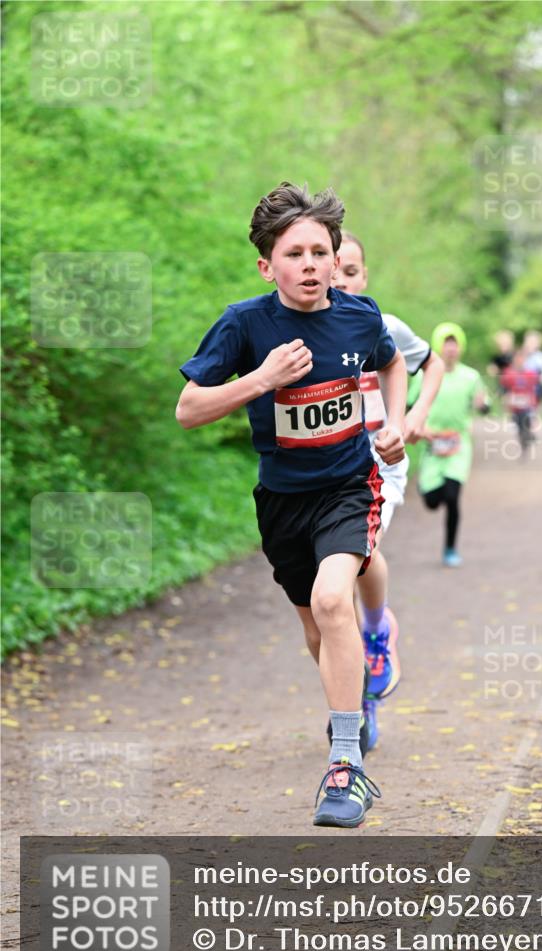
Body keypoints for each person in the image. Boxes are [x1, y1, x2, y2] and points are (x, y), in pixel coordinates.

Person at [176, 183, 407, 828]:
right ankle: (356, 698)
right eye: (294, 253)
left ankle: (344, 766)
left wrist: (390, 422)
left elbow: (392, 364)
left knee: (337, 601)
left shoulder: (361, 316)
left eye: (320, 251)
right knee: (317, 630)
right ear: (266, 265)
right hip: (281, 502)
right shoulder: (245, 323)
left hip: (348, 487)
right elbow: (188, 409)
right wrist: (261, 380)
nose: (309, 264)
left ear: (337, 260)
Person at [333, 232, 444, 749]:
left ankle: (377, 630)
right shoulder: (303, 331)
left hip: (381, 466)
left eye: (351, 270)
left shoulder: (383, 326)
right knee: (328, 602)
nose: (340, 280)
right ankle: (359, 701)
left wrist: (414, 416)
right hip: (323, 471)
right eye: (333, 271)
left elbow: (432, 365)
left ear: (365, 276)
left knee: (360, 550)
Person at [418, 323, 489, 567]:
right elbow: (409, 405)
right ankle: (426, 487)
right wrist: (419, 426)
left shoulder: (471, 376)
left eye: (454, 343)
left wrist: (483, 406)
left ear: (460, 347)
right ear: (438, 345)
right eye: (446, 343)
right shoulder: (424, 374)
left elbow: (483, 405)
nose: (451, 349)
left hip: (459, 444)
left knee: (452, 495)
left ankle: (450, 549)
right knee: (432, 500)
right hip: (433, 442)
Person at [500, 348, 540, 453]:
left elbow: (537, 389)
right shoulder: (508, 373)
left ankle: (528, 435)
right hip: (514, 406)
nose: (520, 360)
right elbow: (504, 389)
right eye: (518, 358)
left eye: (522, 358)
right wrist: (506, 399)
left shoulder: (531, 374)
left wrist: (535, 401)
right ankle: (525, 439)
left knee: (526, 421)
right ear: (514, 359)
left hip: (527, 405)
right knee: (518, 426)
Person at [522, 330, 542, 404]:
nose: (530, 344)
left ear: (538, 344)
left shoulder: (540, 357)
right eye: (528, 341)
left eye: (533, 342)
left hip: (535, 389)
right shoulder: (521, 355)